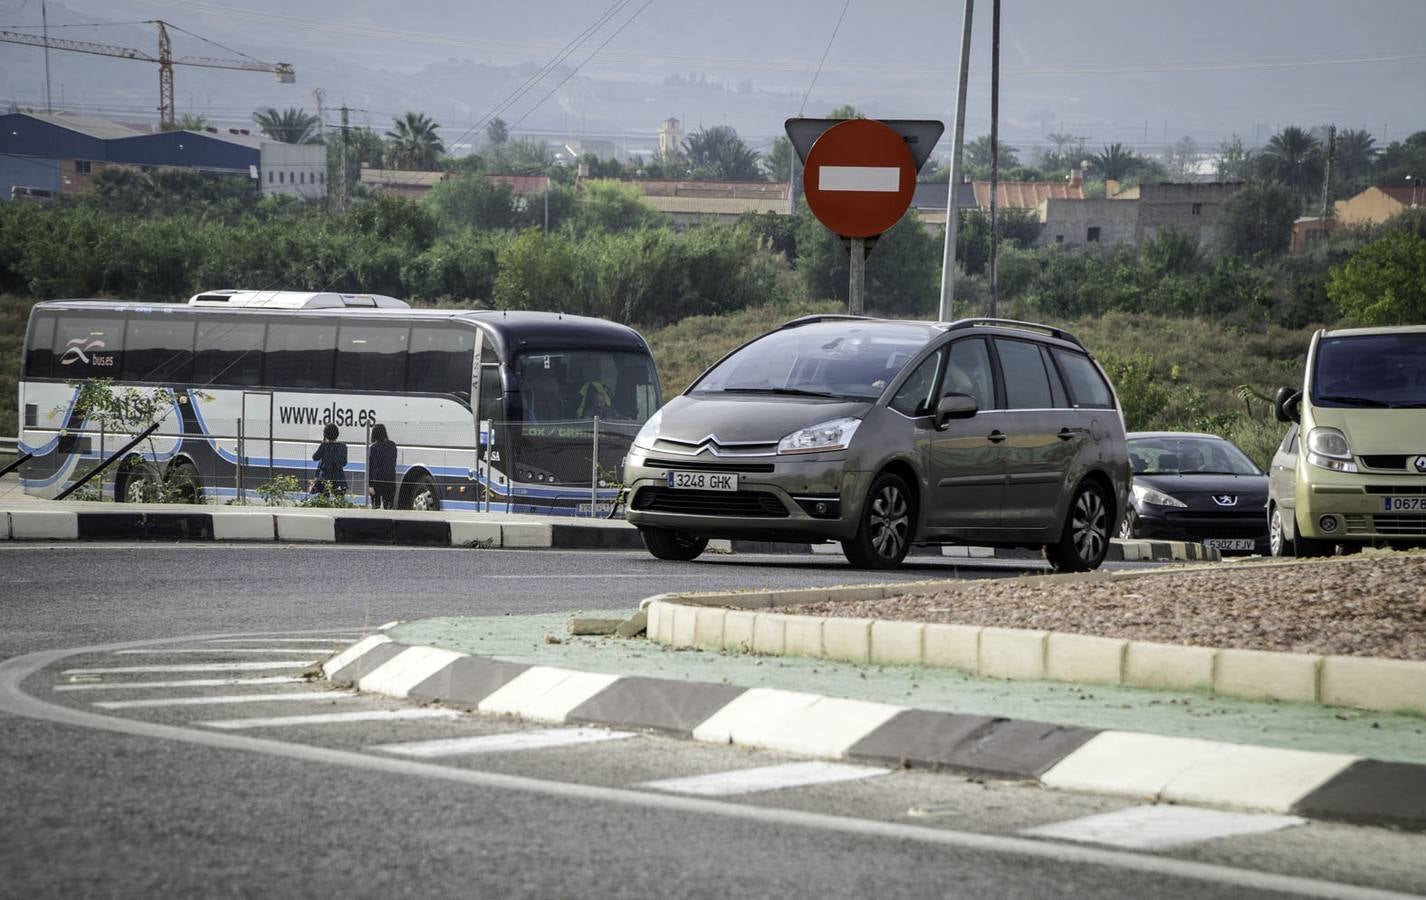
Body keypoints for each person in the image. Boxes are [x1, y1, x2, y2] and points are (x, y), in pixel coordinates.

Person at [310, 423, 348, 495]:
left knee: (323, 500)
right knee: (340, 500)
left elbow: (315, 457)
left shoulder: (324, 445)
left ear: (325, 434)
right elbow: (344, 463)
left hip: (325, 477)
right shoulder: (343, 446)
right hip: (339, 477)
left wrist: (323, 445)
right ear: (337, 434)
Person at [367, 423, 398, 509]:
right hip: (390, 479)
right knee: (388, 506)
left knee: (375, 505)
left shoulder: (373, 447)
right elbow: (393, 462)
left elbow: (371, 467)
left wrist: (370, 485)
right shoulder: (392, 445)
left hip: (377, 480)